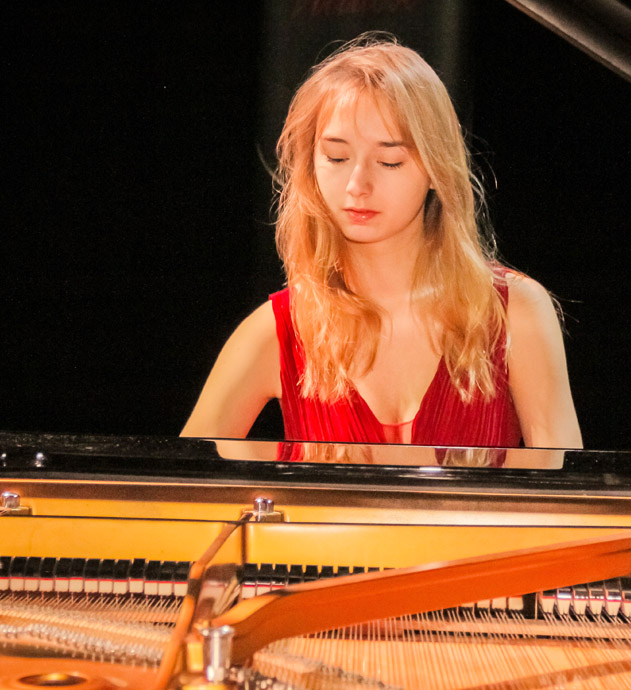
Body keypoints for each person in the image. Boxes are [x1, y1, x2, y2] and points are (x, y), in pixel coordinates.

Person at [182, 35, 582, 450]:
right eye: (336, 157)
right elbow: (174, 480)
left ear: (436, 167)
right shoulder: (276, 331)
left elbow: (568, 486)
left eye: (390, 161)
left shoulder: (515, 314)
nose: (357, 185)